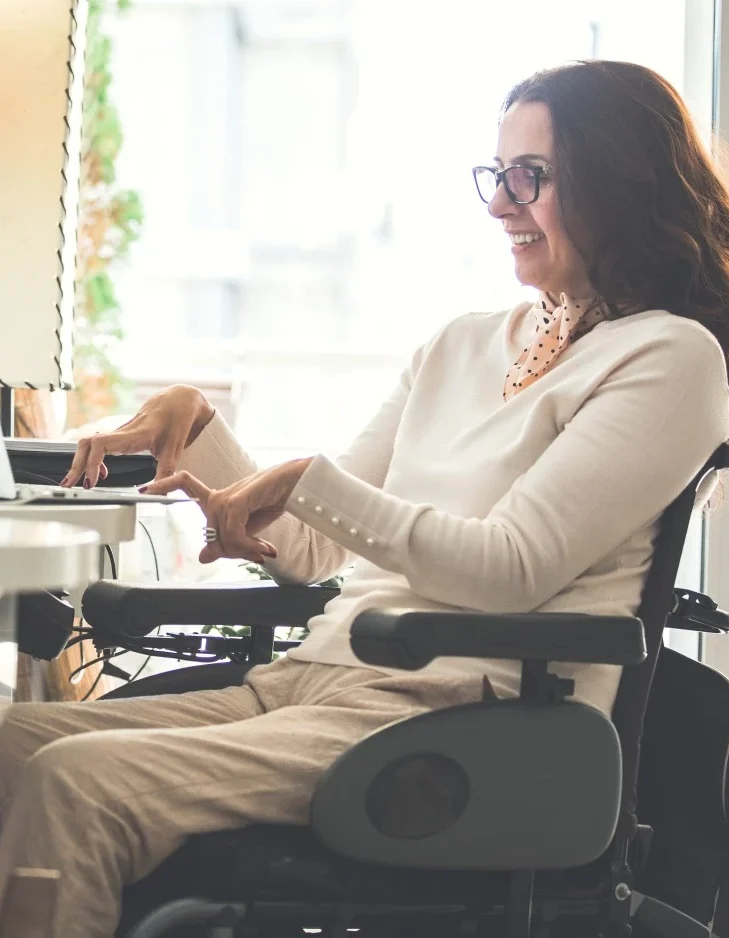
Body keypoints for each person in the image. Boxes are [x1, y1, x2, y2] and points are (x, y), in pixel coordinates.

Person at [1, 59, 729, 937]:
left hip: (457, 717)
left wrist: (305, 479)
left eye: (528, 177)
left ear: (618, 179)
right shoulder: (459, 345)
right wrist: (197, 429)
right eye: (495, 177)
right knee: (10, 748)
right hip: (311, 684)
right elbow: (318, 549)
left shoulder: (669, 359)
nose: (500, 203)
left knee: (76, 784)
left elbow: (512, 568)